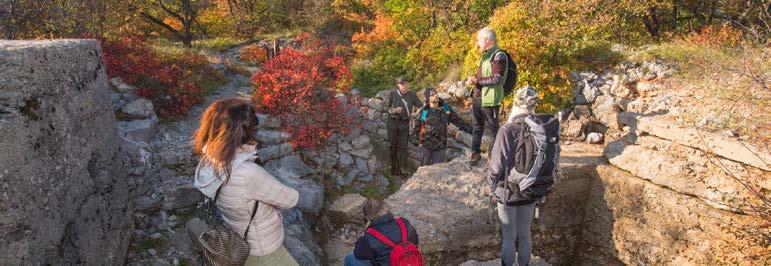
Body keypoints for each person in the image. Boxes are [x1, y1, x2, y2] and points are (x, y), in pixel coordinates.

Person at [191, 97, 300, 266]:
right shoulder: (247, 173)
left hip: (238, 240)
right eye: (251, 127)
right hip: (264, 250)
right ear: (241, 132)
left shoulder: (209, 160)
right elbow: (291, 199)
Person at [486, 86, 540, 266]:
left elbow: (497, 164)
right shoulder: (540, 129)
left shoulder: (507, 129)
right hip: (530, 187)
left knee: (509, 236)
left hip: (508, 190)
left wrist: (491, 185)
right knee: (525, 234)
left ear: (516, 104)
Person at [466, 27, 507, 166]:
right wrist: (473, 79)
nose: (477, 43)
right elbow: (481, 75)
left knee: (493, 129)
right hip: (478, 97)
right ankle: (475, 154)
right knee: (477, 126)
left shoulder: (499, 55)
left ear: (487, 40)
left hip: (490, 99)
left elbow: (497, 78)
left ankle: (492, 157)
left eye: (479, 40)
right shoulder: (485, 55)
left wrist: (477, 81)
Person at [344, 199, 420, 266]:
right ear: (387, 210)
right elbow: (415, 242)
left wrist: (365, 232)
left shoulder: (370, 237)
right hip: (409, 261)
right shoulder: (403, 222)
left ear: (368, 218)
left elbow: (358, 254)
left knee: (350, 258)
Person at [412, 88, 472, 166]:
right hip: (426, 145)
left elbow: (457, 121)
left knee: (438, 170)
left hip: (440, 146)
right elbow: (417, 127)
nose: (435, 96)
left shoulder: (445, 108)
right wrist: (418, 142)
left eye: (436, 93)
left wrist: (471, 130)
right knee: (423, 169)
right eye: (432, 95)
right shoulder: (424, 111)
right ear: (428, 98)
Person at [383, 75, 422, 176]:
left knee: (403, 147)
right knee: (393, 146)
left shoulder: (412, 94)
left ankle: (403, 168)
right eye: (402, 84)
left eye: (406, 84)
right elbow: (385, 107)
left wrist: (417, 112)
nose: (404, 86)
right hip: (393, 123)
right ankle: (393, 167)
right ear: (398, 85)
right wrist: (393, 110)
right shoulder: (392, 93)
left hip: (404, 124)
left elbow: (421, 106)